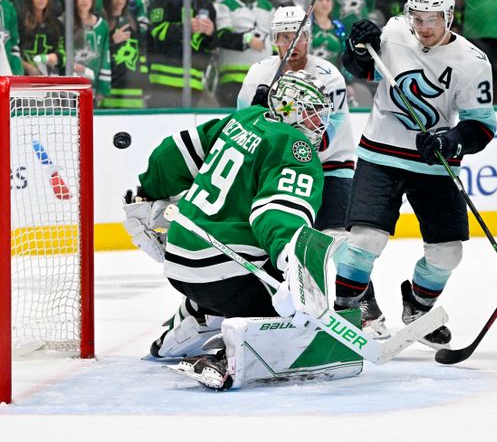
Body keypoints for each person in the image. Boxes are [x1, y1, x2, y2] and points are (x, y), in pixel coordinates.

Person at [125, 70, 355, 389]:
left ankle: (194, 322)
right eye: (313, 111)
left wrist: (147, 189)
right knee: (288, 310)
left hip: (179, 262)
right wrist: (295, 266)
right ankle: (233, 348)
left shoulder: (244, 117)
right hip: (224, 271)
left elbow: (175, 153)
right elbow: (276, 213)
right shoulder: (297, 148)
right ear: (292, 109)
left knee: (234, 278)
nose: (320, 121)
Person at [335, 0, 497, 347]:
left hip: (433, 163)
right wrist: (357, 50)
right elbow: (360, 69)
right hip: (381, 155)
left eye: (432, 19)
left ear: (450, 17)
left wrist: (452, 139)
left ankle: (419, 306)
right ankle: (345, 310)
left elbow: (482, 127)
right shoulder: (393, 34)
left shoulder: (472, 62)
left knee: (448, 252)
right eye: (417, 18)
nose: (423, 28)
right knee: (364, 239)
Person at [239, 6, 356, 242]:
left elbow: (323, 139)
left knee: (342, 243)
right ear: (274, 40)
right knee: (281, 240)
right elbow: (243, 131)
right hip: (280, 168)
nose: (292, 44)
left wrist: (272, 122)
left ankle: (355, 281)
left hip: (330, 166)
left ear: (309, 38)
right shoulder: (257, 76)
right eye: (284, 37)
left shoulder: (329, 77)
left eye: (298, 36)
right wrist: (256, 115)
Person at [146, 0, 219, 108]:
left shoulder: (207, 5)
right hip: (163, 81)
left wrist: (211, 33)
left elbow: (210, 47)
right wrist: (184, 28)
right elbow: (155, 30)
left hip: (193, 82)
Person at [210, 0, 273, 107]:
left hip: (263, 80)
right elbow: (222, 36)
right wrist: (247, 39)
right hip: (233, 79)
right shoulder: (223, 4)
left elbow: (275, 39)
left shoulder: (268, 6)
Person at [101, 0, 148, 109]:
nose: (119, 0)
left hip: (132, 84)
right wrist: (112, 41)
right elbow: (96, 55)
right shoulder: (101, 22)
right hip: (110, 84)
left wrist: (145, 83)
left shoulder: (133, 21)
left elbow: (140, 55)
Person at [73, 0, 111, 100]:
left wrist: (103, 88)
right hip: (69, 89)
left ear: (93, 0)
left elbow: (105, 57)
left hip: (92, 88)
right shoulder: (64, 22)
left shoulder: (102, 26)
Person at [17, 0, 63, 76]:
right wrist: (27, 66)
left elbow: (64, 51)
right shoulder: (19, 21)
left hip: (50, 76)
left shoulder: (57, 25)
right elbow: (11, 50)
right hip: (22, 77)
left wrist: (56, 57)